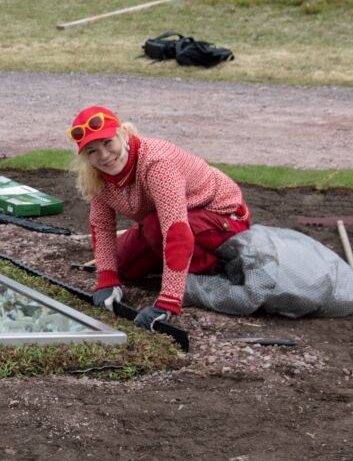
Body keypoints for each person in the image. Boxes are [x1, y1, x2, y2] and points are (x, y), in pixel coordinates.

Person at [69, 105, 251, 330]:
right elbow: (102, 226)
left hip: (223, 216)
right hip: (169, 219)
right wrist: (107, 279)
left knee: (157, 230)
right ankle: (174, 261)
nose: (104, 156)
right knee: (123, 267)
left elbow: (175, 232)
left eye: (108, 143)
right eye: (92, 151)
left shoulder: (157, 163)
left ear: (123, 134)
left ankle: (218, 267)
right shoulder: (98, 176)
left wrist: (168, 300)